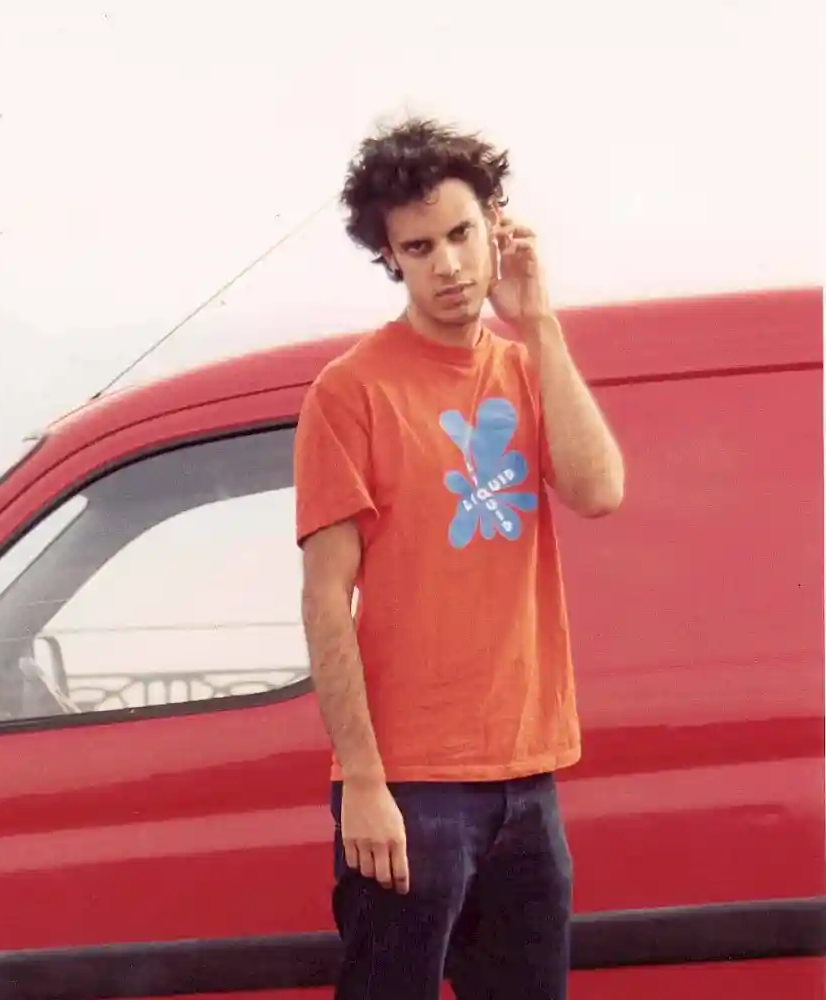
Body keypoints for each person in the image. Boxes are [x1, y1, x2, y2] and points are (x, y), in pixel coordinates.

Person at [293, 117, 625, 1000]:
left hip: (528, 775)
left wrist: (540, 319)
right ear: (390, 258)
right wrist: (362, 781)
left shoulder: (524, 369)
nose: (446, 265)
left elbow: (598, 489)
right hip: (409, 789)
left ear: (496, 227)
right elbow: (326, 599)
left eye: (461, 234)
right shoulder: (350, 392)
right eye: (418, 246)